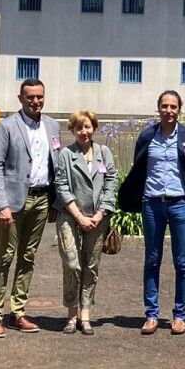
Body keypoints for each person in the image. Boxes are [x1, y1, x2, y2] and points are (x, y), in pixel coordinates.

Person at [118, 90, 185, 336]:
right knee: (152, 260)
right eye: (164, 106)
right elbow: (139, 170)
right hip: (153, 204)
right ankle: (152, 314)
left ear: (180, 109)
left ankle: (179, 315)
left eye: (173, 106)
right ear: (158, 108)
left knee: (183, 262)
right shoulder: (148, 136)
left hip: (180, 205)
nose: (168, 110)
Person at [0, 78, 62, 338]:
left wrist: (54, 201)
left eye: (39, 97)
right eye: (30, 97)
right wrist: (1, 204)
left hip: (41, 200)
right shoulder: (7, 126)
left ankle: (18, 312)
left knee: (28, 258)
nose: (35, 101)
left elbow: (56, 164)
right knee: (5, 256)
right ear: (20, 98)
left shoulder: (52, 126)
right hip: (14, 202)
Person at [52, 109, 118, 336]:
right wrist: (79, 216)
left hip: (97, 218)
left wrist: (101, 214)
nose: (83, 132)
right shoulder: (66, 154)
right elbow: (61, 186)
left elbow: (111, 182)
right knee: (72, 263)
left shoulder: (104, 152)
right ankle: (71, 314)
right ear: (72, 130)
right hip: (71, 217)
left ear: (94, 128)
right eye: (78, 128)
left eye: (87, 127)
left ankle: (85, 314)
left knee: (91, 266)